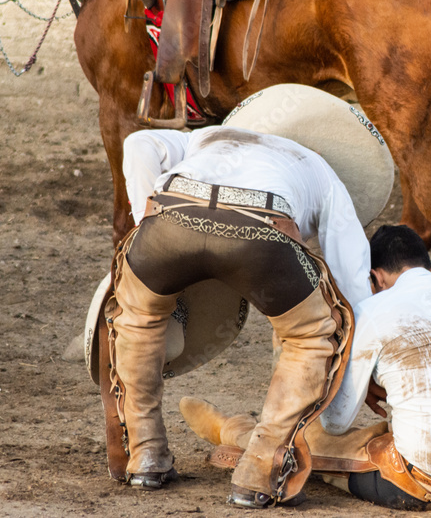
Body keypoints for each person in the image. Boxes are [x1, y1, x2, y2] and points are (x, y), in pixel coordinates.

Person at [105, 125, 372, 508]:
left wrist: (144, 215)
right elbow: (352, 279)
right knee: (312, 335)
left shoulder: (207, 134)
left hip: (170, 219)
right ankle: (258, 472)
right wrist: (362, 377)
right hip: (260, 229)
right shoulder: (320, 169)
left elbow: (136, 142)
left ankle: (146, 454)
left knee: (139, 317)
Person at [180, 224, 431, 510]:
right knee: (383, 434)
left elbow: (335, 421)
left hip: (419, 486)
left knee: (313, 441)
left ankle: (234, 430)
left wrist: (367, 388)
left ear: (375, 277)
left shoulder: (374, 309)